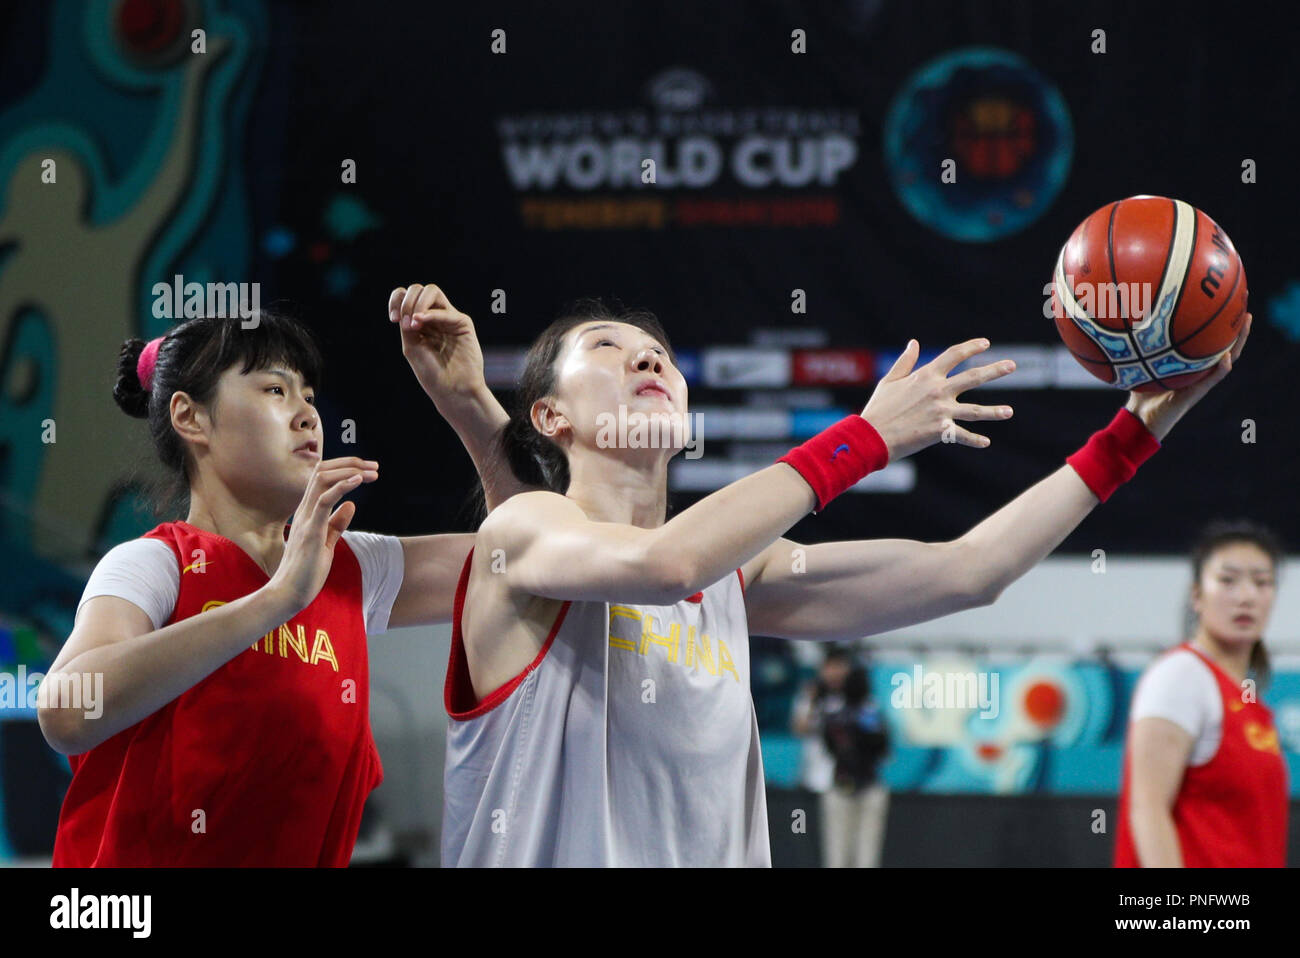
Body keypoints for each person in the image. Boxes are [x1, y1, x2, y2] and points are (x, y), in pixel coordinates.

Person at [440, 298, 1253, 866]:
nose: (645, 355)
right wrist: (863, 438)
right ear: (551, 417)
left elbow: (970, 570)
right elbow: (662, 566)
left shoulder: (735, 579)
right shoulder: (523, 530)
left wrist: (1137, 429)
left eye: (654, 349)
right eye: (606, 348)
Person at [40, 284, 521, 866]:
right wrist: (279, 599)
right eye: (274, 388)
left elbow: (526, 557)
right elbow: (65, 710)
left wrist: (468, 400)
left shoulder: (349, 566)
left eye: (309, 394)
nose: (307, 413)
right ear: (191, 417)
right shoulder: (155, 564)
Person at [1114, 518, 1288, 867]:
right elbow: (1148, 810)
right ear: (1197, 595)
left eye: (1262, 582)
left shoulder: (1250, 699)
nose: (1246, 596)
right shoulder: (1180, 676)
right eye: (1227, 580)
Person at [792, 648, 890, 867]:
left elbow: (880, 742)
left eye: (840, 667)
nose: (835, 673)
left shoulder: (860, 700)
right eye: (830, 667)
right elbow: (800, 728)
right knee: (830, 852)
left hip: (861, 779)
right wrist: (814, 702)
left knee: (864, 853)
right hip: (820, 779)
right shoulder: (815, 697)